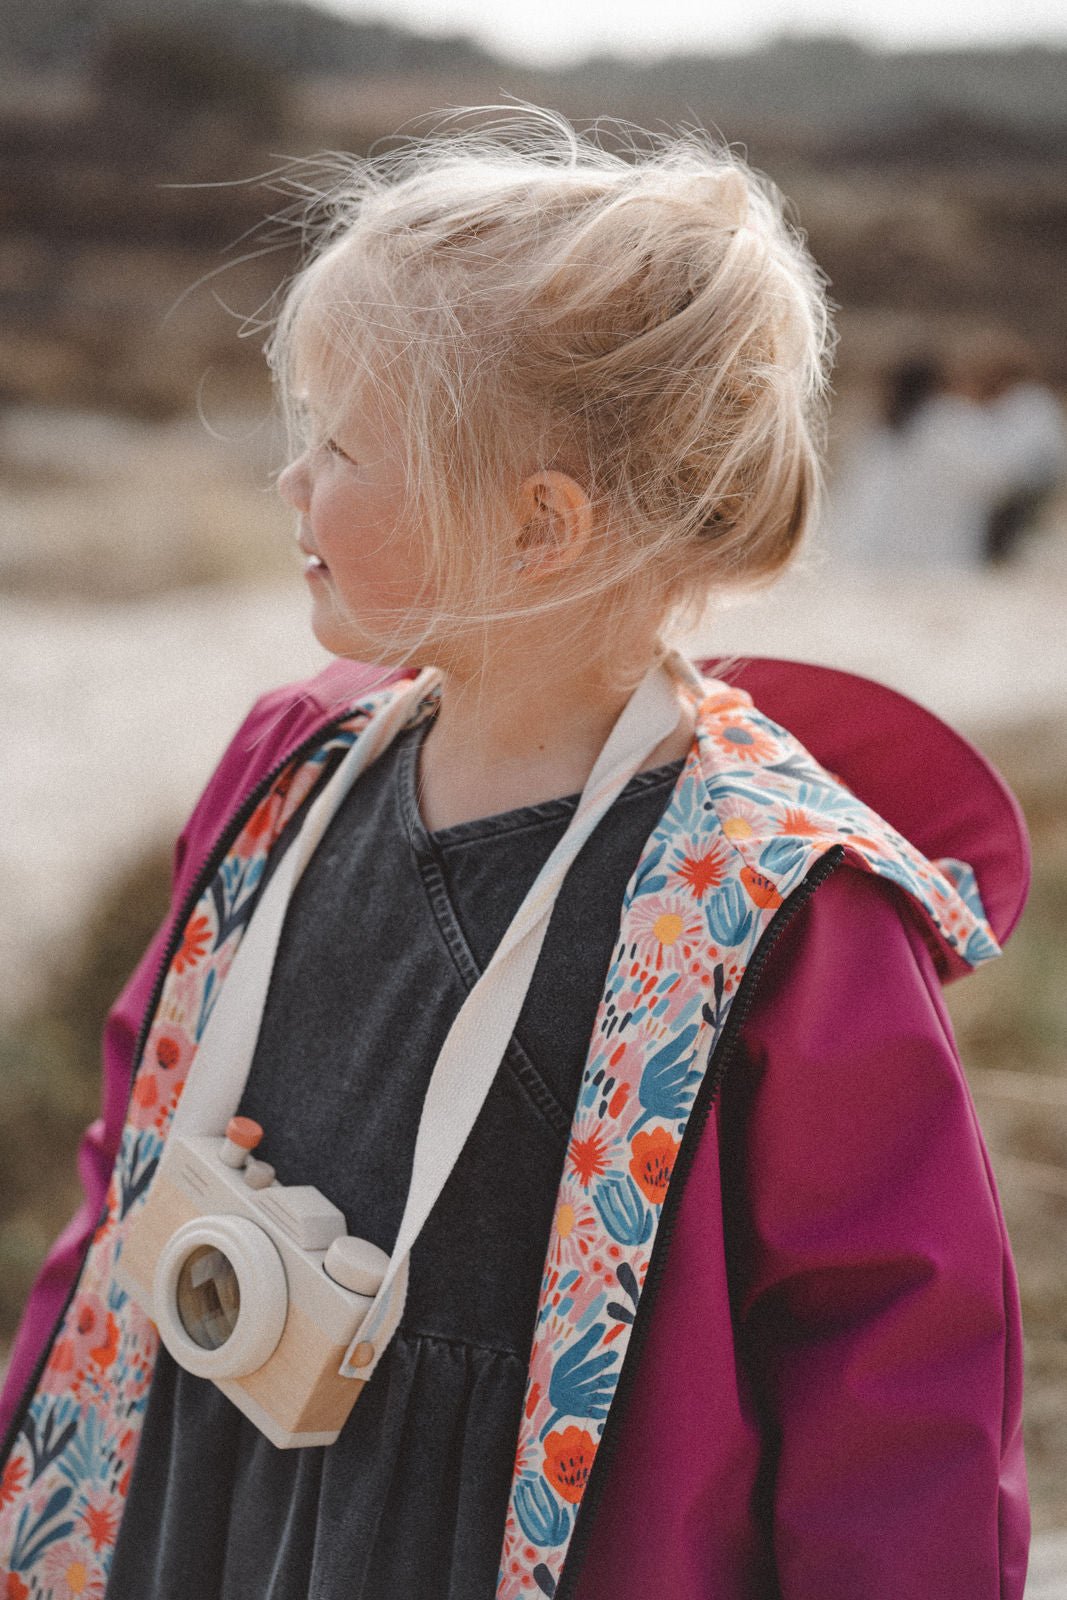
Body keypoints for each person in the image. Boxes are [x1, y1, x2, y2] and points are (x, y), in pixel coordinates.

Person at [0, 107, 1030, 1599]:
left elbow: (895, 1386)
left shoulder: (767, 902)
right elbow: (126, 1144)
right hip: (204, 1504)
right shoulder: (284, 772)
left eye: (339, 447)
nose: (291, 486)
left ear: (535, 524)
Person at [823, 349, 1039, 568]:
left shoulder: (878, 434)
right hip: (941, 562)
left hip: (874, 559)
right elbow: (997, 478)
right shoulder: (950, 422)